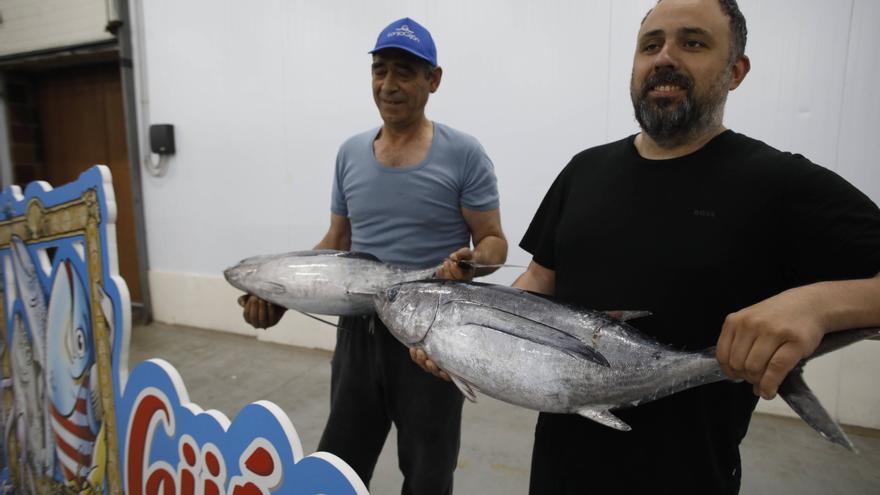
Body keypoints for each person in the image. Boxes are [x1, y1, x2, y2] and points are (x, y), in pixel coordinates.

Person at [411, 0, 880, 493]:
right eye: (650, 45)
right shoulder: (583, 171)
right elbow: (538, 283)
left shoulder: (777, 182)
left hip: (689, 477)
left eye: (693, 42)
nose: (664, 58)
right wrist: (465, 332)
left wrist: (817, 307)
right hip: (557, 472)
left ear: (736, 71)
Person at [239, 17, 507, 495]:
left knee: (428, 472)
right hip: (358, 333)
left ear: (433, 80)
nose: (389, 85)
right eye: (379, 70)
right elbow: (336, 244)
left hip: (431, 340)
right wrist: (276, 293)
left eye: (405, 72)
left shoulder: (464, 154)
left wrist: (472, 261)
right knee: (338, 464)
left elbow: (494, 242)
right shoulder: (349, 155)